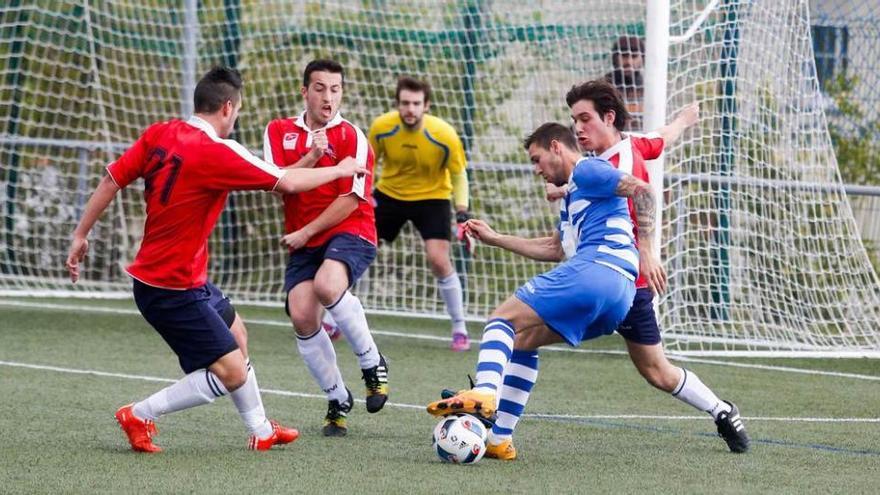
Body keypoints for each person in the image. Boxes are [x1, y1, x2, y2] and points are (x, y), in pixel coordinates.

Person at [65, 66, 368, 453]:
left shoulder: (162, 132)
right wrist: (341, 169)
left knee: (238, 336)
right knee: (230, 372)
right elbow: (286, 183)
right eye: (237, 112)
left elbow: (111, 179)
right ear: (227, 107)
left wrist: (80, 234)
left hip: (182, 280)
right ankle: (139, 413)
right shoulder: (217, 151)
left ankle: (260, 431)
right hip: (171, 290)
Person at [468, 80, 748, 460]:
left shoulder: (609, 161)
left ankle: (722, 411)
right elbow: (557, 246)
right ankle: (499, 436)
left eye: (584, 119)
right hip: (614, 279)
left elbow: (646, 173)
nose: (579, 128)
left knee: (657, 372)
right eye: (574, 121)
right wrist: (683, 119)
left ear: (608, 118)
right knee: (523, 339)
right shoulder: (580, 179)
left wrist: (646, 248)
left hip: (624, 276)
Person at [263, 59, 387, 437]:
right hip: (305, 238)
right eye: (320, 88)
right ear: (305, 92)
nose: (328, 97)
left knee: (328, 286)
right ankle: (337, 398)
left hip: (351, 228)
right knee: (302, 315)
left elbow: (351, 200)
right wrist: (313, 156)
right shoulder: (278, 131)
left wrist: (306, 232)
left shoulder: (353, 137)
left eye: (335, 89)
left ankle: (371, 362)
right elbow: (279, 182)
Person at [368, 76, 473, 352]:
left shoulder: (444, 134)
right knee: (358, 250)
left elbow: (459, 174)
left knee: (439, 261)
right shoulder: (381, 127)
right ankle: (332, 320)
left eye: (416, 103)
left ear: (426, 106)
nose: (410, 109)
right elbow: (367, 163)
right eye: (405, 103)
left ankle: (460, 327)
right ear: (397, 104)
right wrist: (364, 194)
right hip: (389, 194)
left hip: (433, 198)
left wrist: (462, 211)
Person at [604, 36, 645, 131]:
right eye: (624, 56)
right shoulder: (602, 87)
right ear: (615, 58)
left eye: (634, 56)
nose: (629, 62)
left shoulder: (649, 88)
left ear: (642, 58)